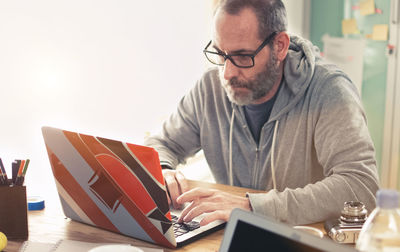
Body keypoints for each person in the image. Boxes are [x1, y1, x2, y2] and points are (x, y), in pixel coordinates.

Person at [144, 0, 379, 226]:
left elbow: (361, 186)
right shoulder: (210, 88)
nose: (227, 73)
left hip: (301, 241)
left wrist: (252, 207)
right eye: (221, 54)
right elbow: (161, 144)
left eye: (243, 56)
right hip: (232, 236)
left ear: (280, 46)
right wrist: (163, 169)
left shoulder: (329, 91)